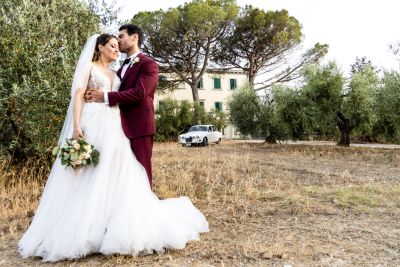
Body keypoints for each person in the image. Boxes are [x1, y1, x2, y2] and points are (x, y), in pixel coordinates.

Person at [18, 33, 209, 262]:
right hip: (92, 121)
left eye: (118, 46)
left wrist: (106, 96)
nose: (116, 50)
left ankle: (109, 224)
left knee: (116, 169)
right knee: (88, 171)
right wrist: (77, 125)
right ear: (100, 47)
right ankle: (81, 225)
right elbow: (78, 95)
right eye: (112, 45)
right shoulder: (89, 67)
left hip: (114, 125)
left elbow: (132, 94)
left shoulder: (116, 72)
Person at [85, 24, 157, 187]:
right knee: (124, 175)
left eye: (122, 36)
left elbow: (140, 93)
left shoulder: (149, 64)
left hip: (139, 126)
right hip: (118, 127)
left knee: (142, 172)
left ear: (135, 37)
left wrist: (103, 96)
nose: (119, 40)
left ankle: (144, 208)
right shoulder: (121, 66)